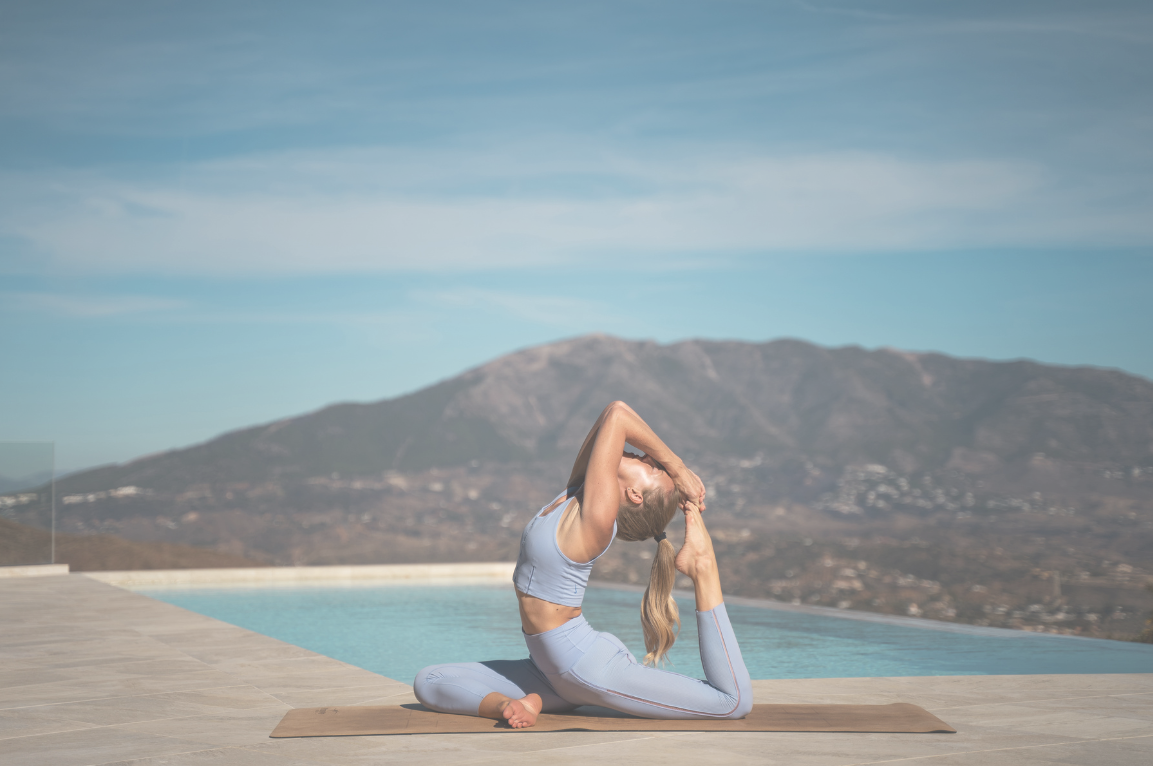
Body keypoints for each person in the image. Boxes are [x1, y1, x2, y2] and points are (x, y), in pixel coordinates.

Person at [413, 401, 753, 727]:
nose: (648, 456)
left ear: (635, 494)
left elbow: (619, 416)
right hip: (548, 671)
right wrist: (667, 468)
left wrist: (677, 468)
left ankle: (702, 566)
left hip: (587, 666)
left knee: (732, 703)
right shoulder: (575, 494)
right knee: (429, 680)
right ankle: (511, 706)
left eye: (651, 468)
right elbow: (610, 413)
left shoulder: (597, 523)